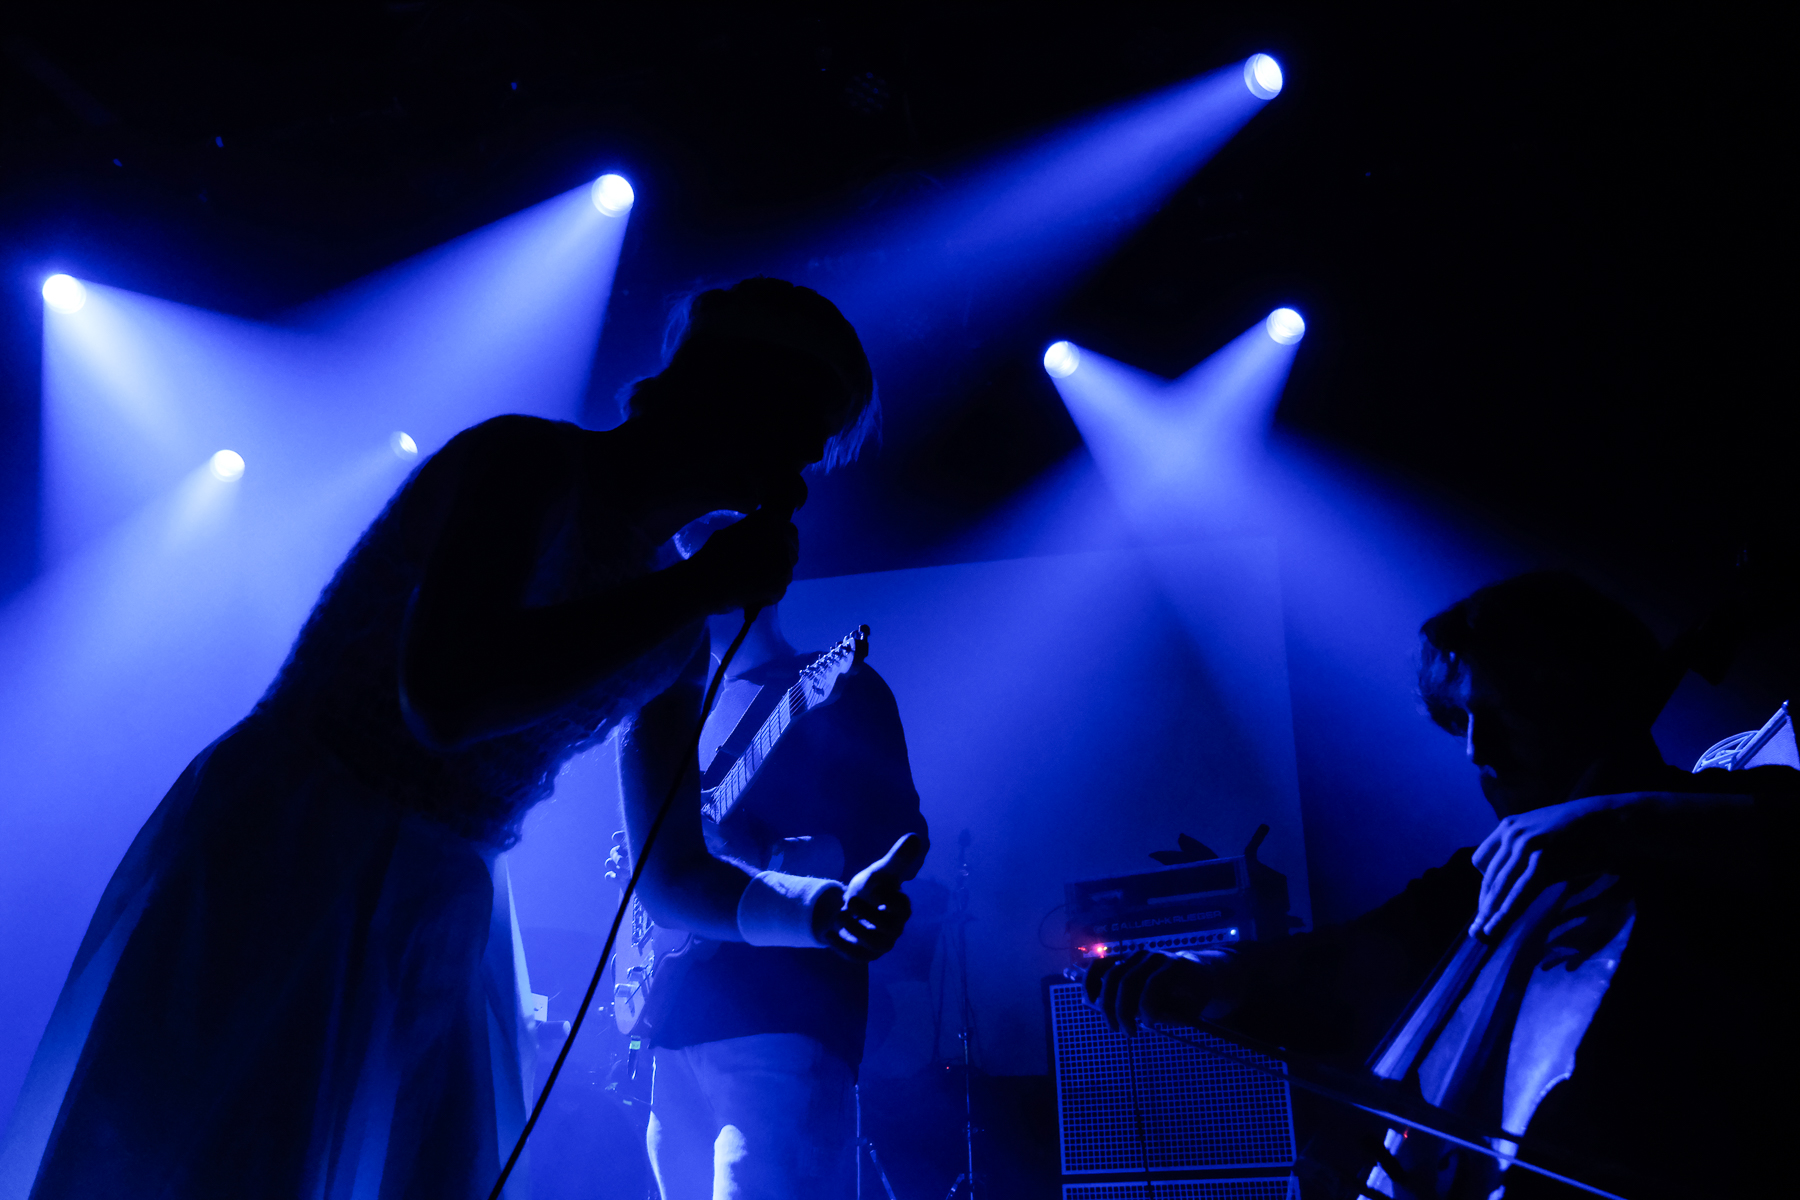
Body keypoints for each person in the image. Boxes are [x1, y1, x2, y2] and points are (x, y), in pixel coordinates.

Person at [0, 278, 925, 1200]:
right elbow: (445, 696)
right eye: (800, 433)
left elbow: (671, 871)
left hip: (438, 899)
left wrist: (815, 910)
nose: (803, 473)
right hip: (297, 845)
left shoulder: (680, 632)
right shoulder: (524, 465)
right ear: (734, 394)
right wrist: (693, 589)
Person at [1083, 571, 1794, 1199]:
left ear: (1588, 698)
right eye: (1463, 721)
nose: (1479, 750)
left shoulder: (1720, 826)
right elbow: (1342, 959)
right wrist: (1211, 970)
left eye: (1506, 713)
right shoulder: (1487, 876)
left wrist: (1611, 817)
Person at [633, 598, 928, 1200]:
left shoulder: (839, 683)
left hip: (784, 1019)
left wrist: (765, 855)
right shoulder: (685, 711)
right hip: (677, 1023)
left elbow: (894, 835)